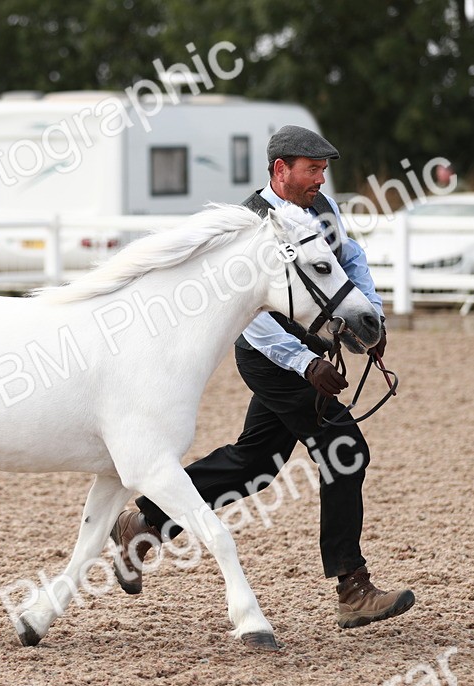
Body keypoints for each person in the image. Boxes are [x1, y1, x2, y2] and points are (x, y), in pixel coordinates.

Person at [109, 126, 415, 630]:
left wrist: (370, 316)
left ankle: (143, 524)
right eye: (311, 170)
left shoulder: (321, 210)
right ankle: (351, 587)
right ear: (280, 170)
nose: (320, 179)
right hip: (271, 356)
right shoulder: (248, 225)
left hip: (310, 351)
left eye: (322, 170)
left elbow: (350, 259)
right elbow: (249, 315)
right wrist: (303, 362)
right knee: (346, 449)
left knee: (254, 465)